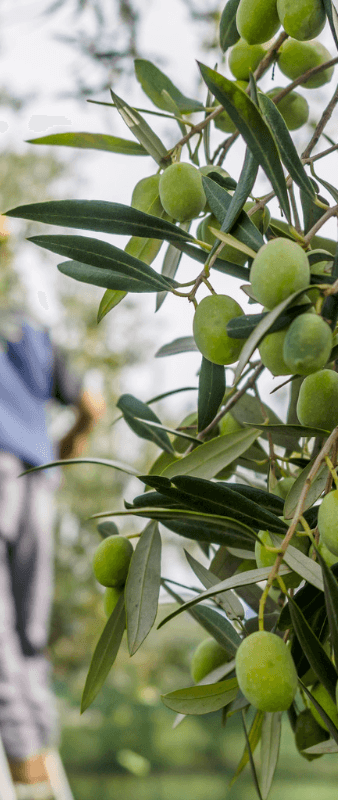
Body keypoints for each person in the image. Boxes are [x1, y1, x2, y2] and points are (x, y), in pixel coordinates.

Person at [0, 238, 104, 796]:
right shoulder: (32, 325)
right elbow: (90, 405)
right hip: (35, 481)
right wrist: (56, 455)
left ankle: (22, 761)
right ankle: (37, 747)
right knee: (27, 631)